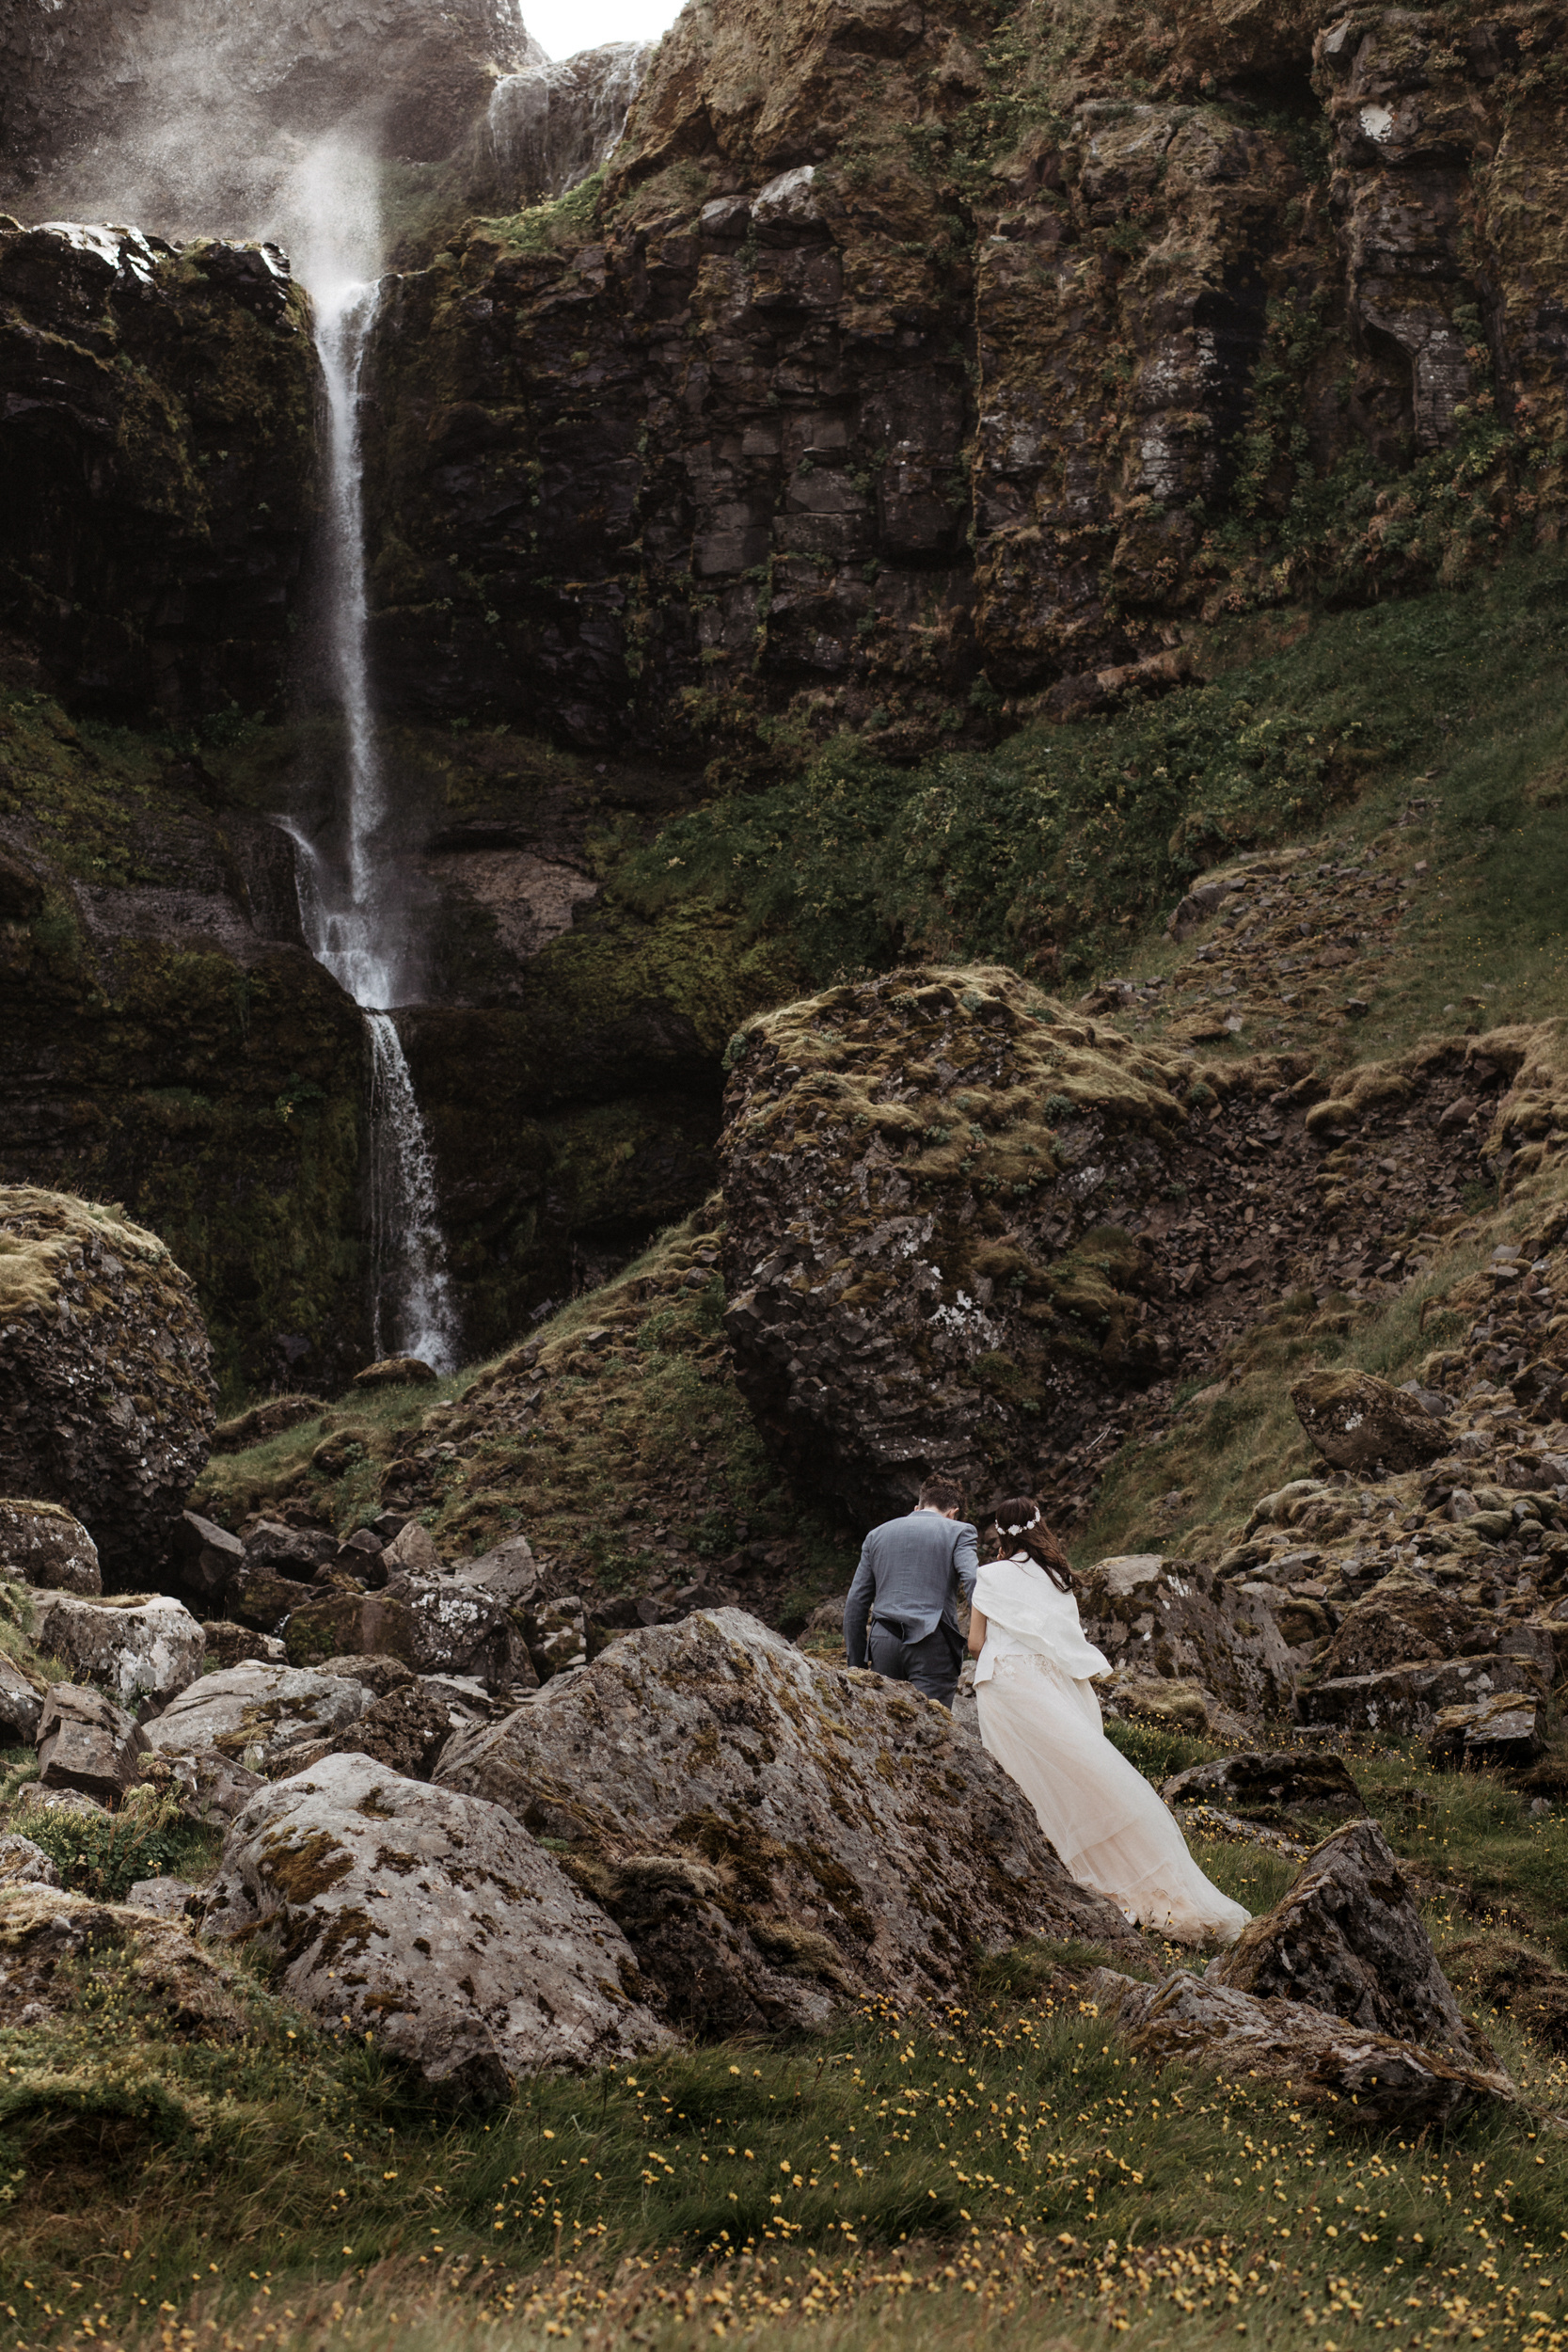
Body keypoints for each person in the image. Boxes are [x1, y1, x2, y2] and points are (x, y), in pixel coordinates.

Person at [968, 1495, 1249, 1946]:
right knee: (1080, 1776)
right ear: (1039, 1528)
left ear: (999, 1534)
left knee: (1023, 1777)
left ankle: (1046, 1870)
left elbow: (976, 1643)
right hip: (1047, 1682)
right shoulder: (1058, 1578)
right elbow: (1065, 1642)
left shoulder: (988, 1575)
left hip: (1003, 1683)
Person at [844, 1476, 978, 1709]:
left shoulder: (877, 1535)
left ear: (917, 1507)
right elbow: (973, 1578)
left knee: (887, 1728)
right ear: (953, 1513)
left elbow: (856, 1603)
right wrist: (982, 1635)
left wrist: (856, 1667)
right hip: (933, 1642)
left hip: (883, 1641)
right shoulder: (960, 1531)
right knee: (931, 1732)